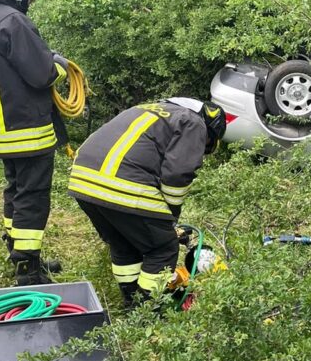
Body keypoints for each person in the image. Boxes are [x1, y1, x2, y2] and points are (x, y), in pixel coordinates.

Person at [68, 97, 226, 307]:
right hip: (123, 185)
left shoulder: (145, 109)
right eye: (206, 144)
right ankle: (148, 310)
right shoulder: (194, 122)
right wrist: (170, 219)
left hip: (82, 182)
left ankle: (131, 301)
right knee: (163, 248)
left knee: (123, 243)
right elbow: (177, 175)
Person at [0, 0, 70, 285]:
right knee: (32, 198)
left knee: (16, 191)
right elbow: (42, 74)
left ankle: (16, 252)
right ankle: (28, 271)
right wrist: (60, 66)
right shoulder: (12, 21)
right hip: (29, 131)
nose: (32, 0)